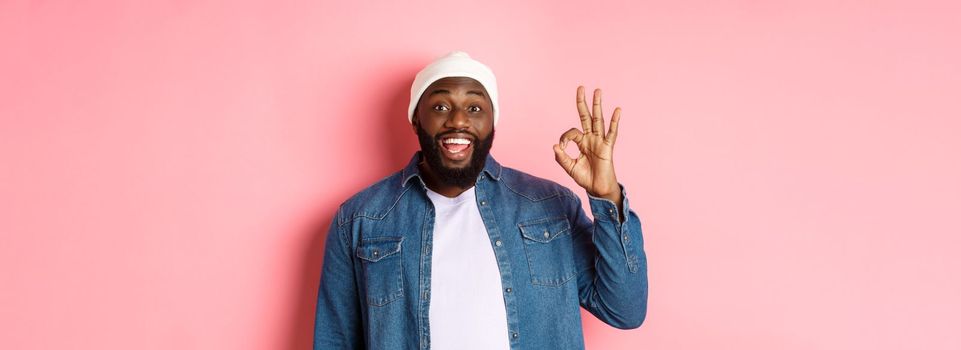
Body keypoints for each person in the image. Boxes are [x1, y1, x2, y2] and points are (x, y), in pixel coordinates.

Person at [313, 51, 648, 350]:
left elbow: (625, 308)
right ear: (416, 119)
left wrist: (606, 196)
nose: (458, 120)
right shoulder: (360, 219)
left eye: (474, 108)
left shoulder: (549, 206)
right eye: (440, 106)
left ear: (492, 123)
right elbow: (335, 340)